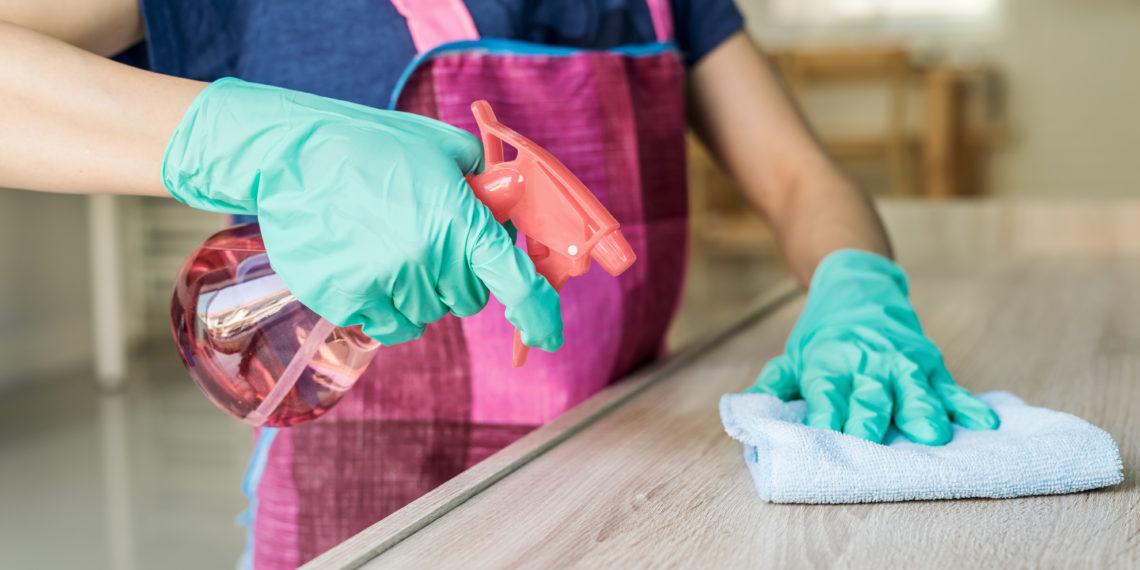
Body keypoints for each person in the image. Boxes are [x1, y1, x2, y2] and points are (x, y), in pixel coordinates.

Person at [0, 1, 999, 567]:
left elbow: (799, 178)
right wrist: (255, 143)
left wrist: (856, 292)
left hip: (630, 498)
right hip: (375, 522)